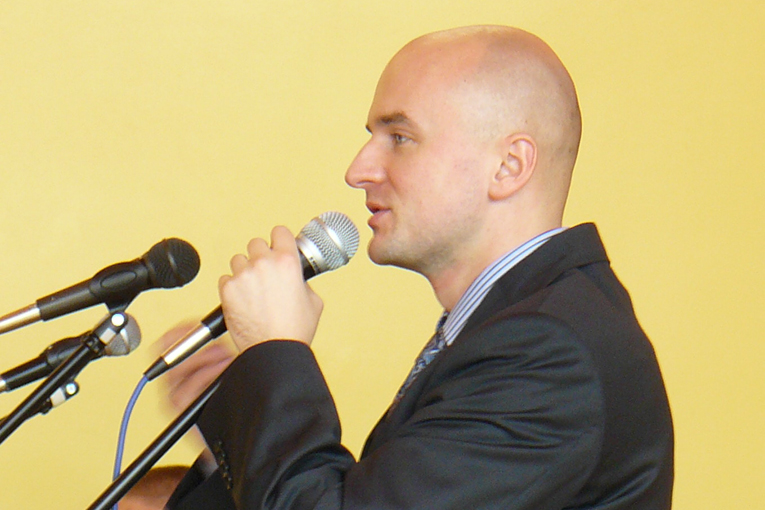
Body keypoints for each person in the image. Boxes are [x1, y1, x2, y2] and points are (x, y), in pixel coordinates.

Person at [163, 25, 674, 509]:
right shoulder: (521, 328)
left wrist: (274, 356)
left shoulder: (548, 352)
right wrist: (248, 422)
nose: (358, 170)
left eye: (400, 138)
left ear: (509, 166)